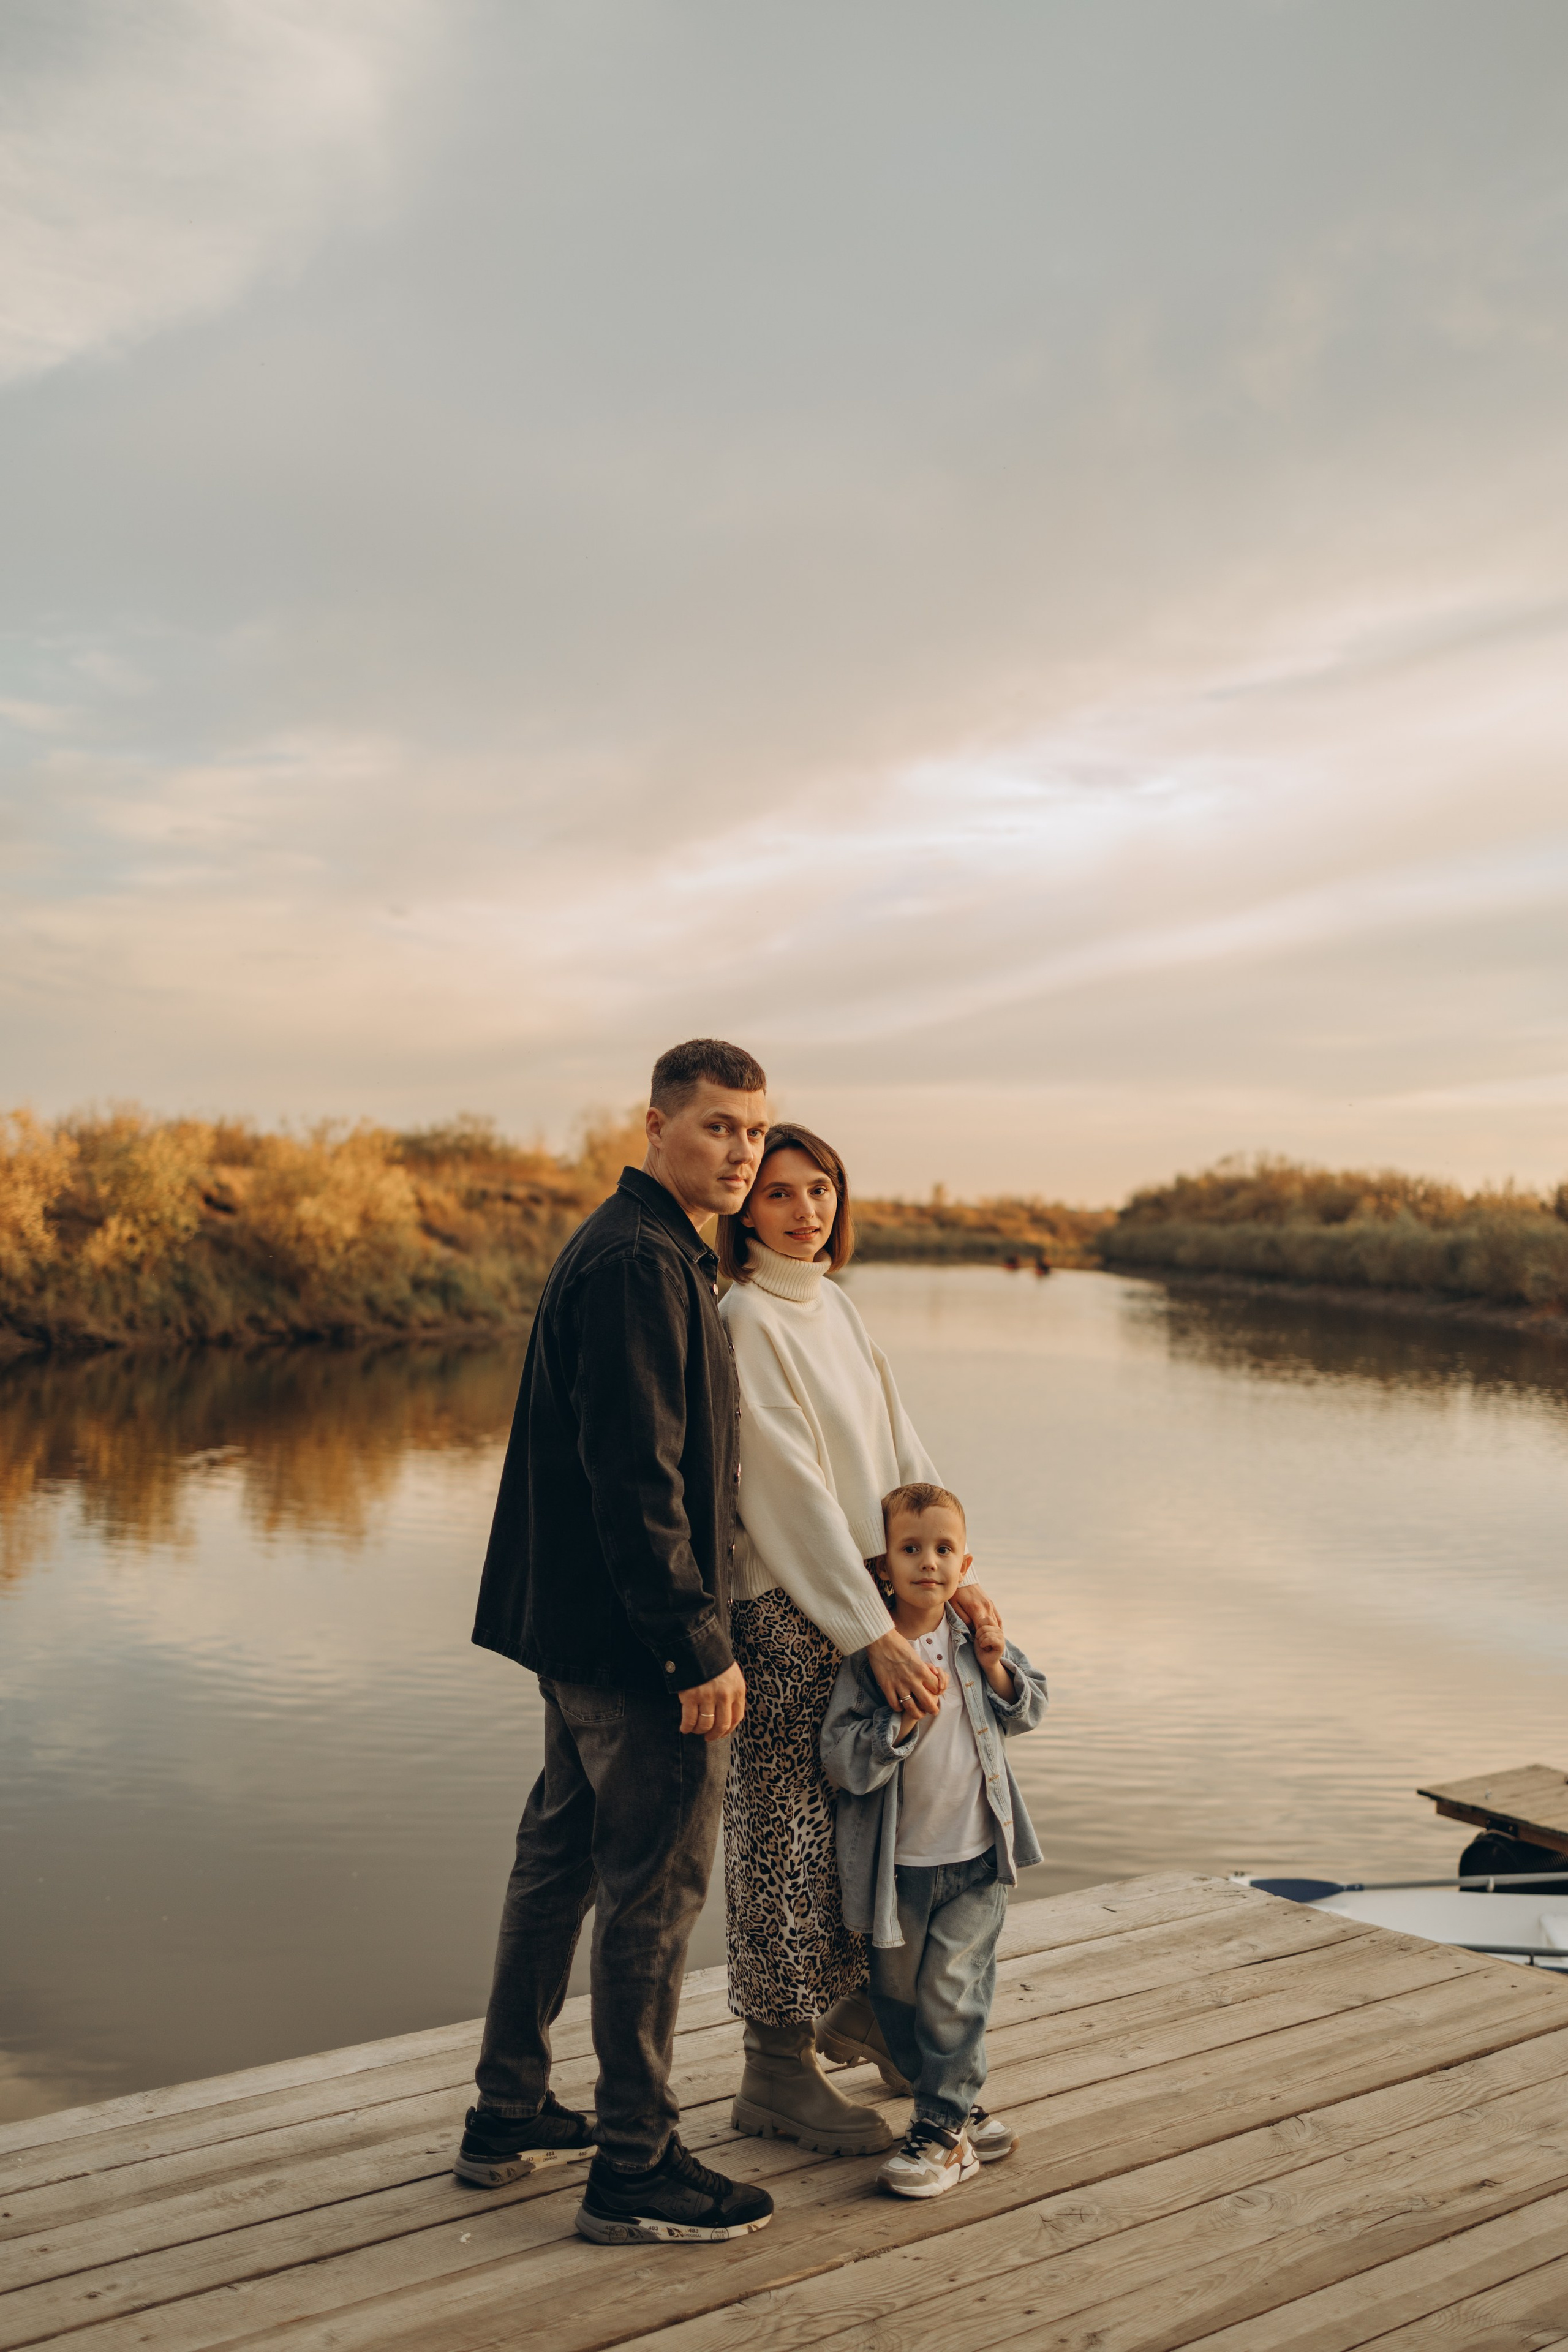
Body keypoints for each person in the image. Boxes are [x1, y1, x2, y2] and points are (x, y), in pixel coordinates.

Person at [456, 1038, 777, 2247]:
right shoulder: (642, 1262)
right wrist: (697, 1644)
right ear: (654, 1126)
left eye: (754, 1131)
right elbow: (634, 1479)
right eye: (716, 1129)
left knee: (560, 1858)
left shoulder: (642, 1248)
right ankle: (634, 2164)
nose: (740, 1152)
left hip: (581, 1631)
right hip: (637, 1643)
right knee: (655, 1889)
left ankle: (509, 2111)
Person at [716, 1125, 1006, 2156]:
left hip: (874, 1607)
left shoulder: (833, 1305)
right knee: (788, 1838)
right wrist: (871, 1626)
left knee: (863, 1826)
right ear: (746, 1210)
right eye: (782, 1193)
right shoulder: (746, 1317)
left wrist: (952, 1578)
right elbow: (787, 1497)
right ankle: (774, 2070)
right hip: (796, 1614)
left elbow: (901, 1459)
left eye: (822, 1188)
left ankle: (852, 2017)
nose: (807, 1210)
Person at [821, 1482, 1047, 2198]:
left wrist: (997, 1663)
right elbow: (841, 1758)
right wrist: (902, 1725)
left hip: (977, 1857)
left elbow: (1031, 1705)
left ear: (966, 1562)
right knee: (899, 2002)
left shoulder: (972, 1638)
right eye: (911, 1549)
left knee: (953, 1991)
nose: (929, 1563)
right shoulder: (867, 1659)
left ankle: (942, 2136)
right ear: (881, 1568)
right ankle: (950, 2102)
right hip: (898, 1872)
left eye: (944, 1549)